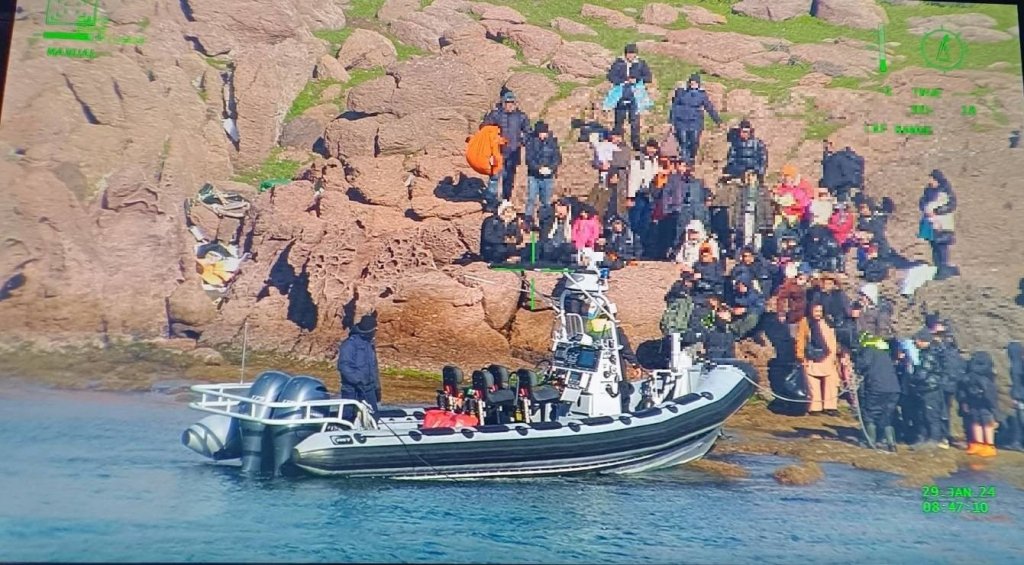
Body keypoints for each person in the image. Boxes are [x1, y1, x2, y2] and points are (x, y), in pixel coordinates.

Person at [483, 91, 531, 207]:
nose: (509, 105)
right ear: (503, 103)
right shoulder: (495, 115)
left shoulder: (521, 116)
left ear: (515, 103)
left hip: (513, 154)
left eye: (512, 103)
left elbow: (528, 132)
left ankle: (505, 201)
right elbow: (484, 129)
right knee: (494, 178)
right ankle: (491, 203)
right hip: (496, 153)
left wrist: (522, 141)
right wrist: (494, 138)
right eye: (507, 102)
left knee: (508, 179)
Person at [855, 333, 901, 452]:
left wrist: (855, 365)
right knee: (887, 415)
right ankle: (891, 443)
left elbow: (862, 364)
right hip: (893, 389)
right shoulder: (886, 352)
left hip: (877, 387)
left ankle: (870, 440)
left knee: (870, 413)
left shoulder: (869, 350)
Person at [795, 301, 842, 416]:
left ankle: (830, 406)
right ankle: (815, 407)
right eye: (816, 311)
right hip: (813, 356)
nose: (818, 314)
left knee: (831, 381)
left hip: (829, 357)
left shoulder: (828, 322)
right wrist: (800, 356)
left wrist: (836, 354)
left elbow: (834, 338)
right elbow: (800, 339)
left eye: (820, 311)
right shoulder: (805, 322)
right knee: (813, 382)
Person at [606, 43, 653, 151]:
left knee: (635, 121)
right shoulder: (618, 63)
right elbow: (610, 76)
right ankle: (617, 142)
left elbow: (648, 77)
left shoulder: (641, 63)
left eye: (633, 54)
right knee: (619, 120)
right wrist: (622, 81)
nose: (631, 56)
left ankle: (636, 144)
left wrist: (637, 79)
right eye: (629, 54)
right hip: (621, 94)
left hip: (635, 96)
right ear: (625, 54)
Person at [669, 73, 722, 163]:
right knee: (683, 141)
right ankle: (685, 162)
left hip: (695, 122)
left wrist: (718, 120)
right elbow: (674, 106)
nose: (693, 84)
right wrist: (671, 121)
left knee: (694, 141)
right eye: (691, 82)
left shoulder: (702, 95)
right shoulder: (681, 92)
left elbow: (709, 107)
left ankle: (692, 157)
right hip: (681, 121)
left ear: (698, 84)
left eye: (695, 83)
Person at [337, 314, 381, 419]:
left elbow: (374, 368)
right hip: (352, 390)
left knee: (373, 417)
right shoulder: (349, 344)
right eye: (375, 329)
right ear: (369, 330)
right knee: (349, 417)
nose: (376, 332)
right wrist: (358, 380)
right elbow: (344, 366)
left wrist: (377, 388)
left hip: (369, 389)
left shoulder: (369, 344)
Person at [918, 169, 958, 280]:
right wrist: (925, 208)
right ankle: (937, 267)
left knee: (942, 246)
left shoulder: (946, 191)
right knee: (934, 245)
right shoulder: (928, 191)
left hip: (942, 223)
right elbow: (922, 202)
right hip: (930, 222)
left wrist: (937, 211)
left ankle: (944, 268)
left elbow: (951, 205)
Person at [908, 329, 945, 448]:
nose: (915, 343)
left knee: (931, 415)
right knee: (922, 415)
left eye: (916, 341)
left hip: (930, 389)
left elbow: (923, 373)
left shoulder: (930, 353)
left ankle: (934, 440)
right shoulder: (927, 352)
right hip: (925, 388)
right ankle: (923, 439)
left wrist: (912, 378)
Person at [960, 351, 999, 457]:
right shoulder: (987, 375)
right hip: (981, 402)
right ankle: (983, 444)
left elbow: (964, 389)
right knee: (982, 423)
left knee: (981, 423)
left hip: (977, 402)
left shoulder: (970, 375)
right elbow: (991, 394)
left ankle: (986, 445)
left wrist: (965, 402)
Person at [524, 120, 562, 222]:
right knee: (531, 198)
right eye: (540, 133)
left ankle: (545, 220)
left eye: (544, 133)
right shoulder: (530, 142)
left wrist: (551, 168)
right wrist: (538, 168)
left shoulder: (552, 142)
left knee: (546, 200)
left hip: (548, 176)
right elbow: (529, 159)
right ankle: (528, 220)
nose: (542, 135)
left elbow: (557, 158)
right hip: (534, 175)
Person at [773, 164, 813, 232]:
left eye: (786, 176)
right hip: (783, 217)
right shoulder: (780, 188)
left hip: (799, 218)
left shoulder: (803, 187)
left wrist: (790, 205)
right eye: (782, 176)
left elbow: (805, 203)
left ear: (792, 176)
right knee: (778, 231)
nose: (783, 178)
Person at [777, 262, 810, 336]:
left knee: (803, 336)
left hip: (804, 314)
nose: (804, 279)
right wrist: (782, 313)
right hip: (793, 314)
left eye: (806, 277)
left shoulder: (808, 284)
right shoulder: (789, 285)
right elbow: (781, 299)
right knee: (793, 335)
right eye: (802, 277)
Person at [539, 198, 575, 264]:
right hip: (552, 244)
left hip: (563, 245)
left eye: (562, 207)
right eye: (558, 208)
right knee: (546, 247)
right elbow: (542, 215)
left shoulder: (570, 222)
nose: (560, 212)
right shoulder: (550, 220)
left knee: (568, 247)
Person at [1006, 341, 1024, 451]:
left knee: (1020, 420)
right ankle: (1017, 442)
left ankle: (1017, 443)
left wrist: (1015, 397)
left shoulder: (1016, 365)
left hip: (1021, 397)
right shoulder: (1018, 363)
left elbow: (1017, 382)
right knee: (1018, 420)